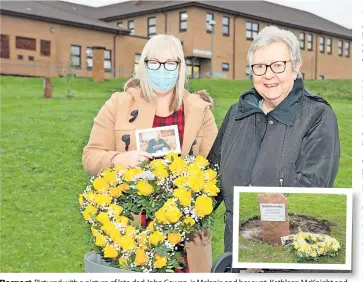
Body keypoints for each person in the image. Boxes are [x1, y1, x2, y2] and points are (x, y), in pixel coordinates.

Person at [82, 34, 218, 272]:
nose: (162, 70)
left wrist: (189, 185)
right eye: (154, 63)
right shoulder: (118, 104)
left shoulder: (199, 110)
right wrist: (119, 159)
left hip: (185, 236)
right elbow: (91, 156)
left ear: (180, 67)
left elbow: (216, 169)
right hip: (131, 233)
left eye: (170, 63)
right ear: (143, 65)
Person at [208, 26, 340, 254]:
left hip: (284, 255)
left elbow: (310, 195)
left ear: (296, 66)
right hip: (235, 251)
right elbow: (212, 177)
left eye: (278, 65)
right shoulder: (237, 113)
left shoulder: (316, 115)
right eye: (259, 67)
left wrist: (263, 253)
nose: (269, 75)